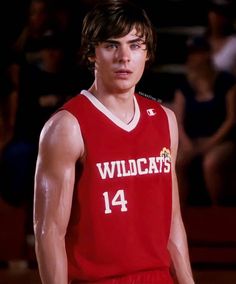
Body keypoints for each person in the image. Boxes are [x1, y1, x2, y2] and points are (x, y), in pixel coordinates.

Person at [33, 0, 195, 283]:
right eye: (111, 45)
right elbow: (49, 231)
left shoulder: (164, 120)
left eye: (135, 45)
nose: (124, 57)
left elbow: (173, 222)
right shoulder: (67, 126)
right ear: (91, 53)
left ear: (147, 53)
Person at [172, 35, 236, 207]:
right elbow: (178, 120)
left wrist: (210, 144)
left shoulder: (227, 82)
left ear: (207, 54)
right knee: (177, 162)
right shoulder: (184, 86)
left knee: (211, 162)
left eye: (197, 53)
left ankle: (219, 211)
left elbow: (231, 119)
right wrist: (187, 144)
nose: (192, 58)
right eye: (190, 54)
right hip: (193, 141)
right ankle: (181, 214)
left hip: (222, 141)